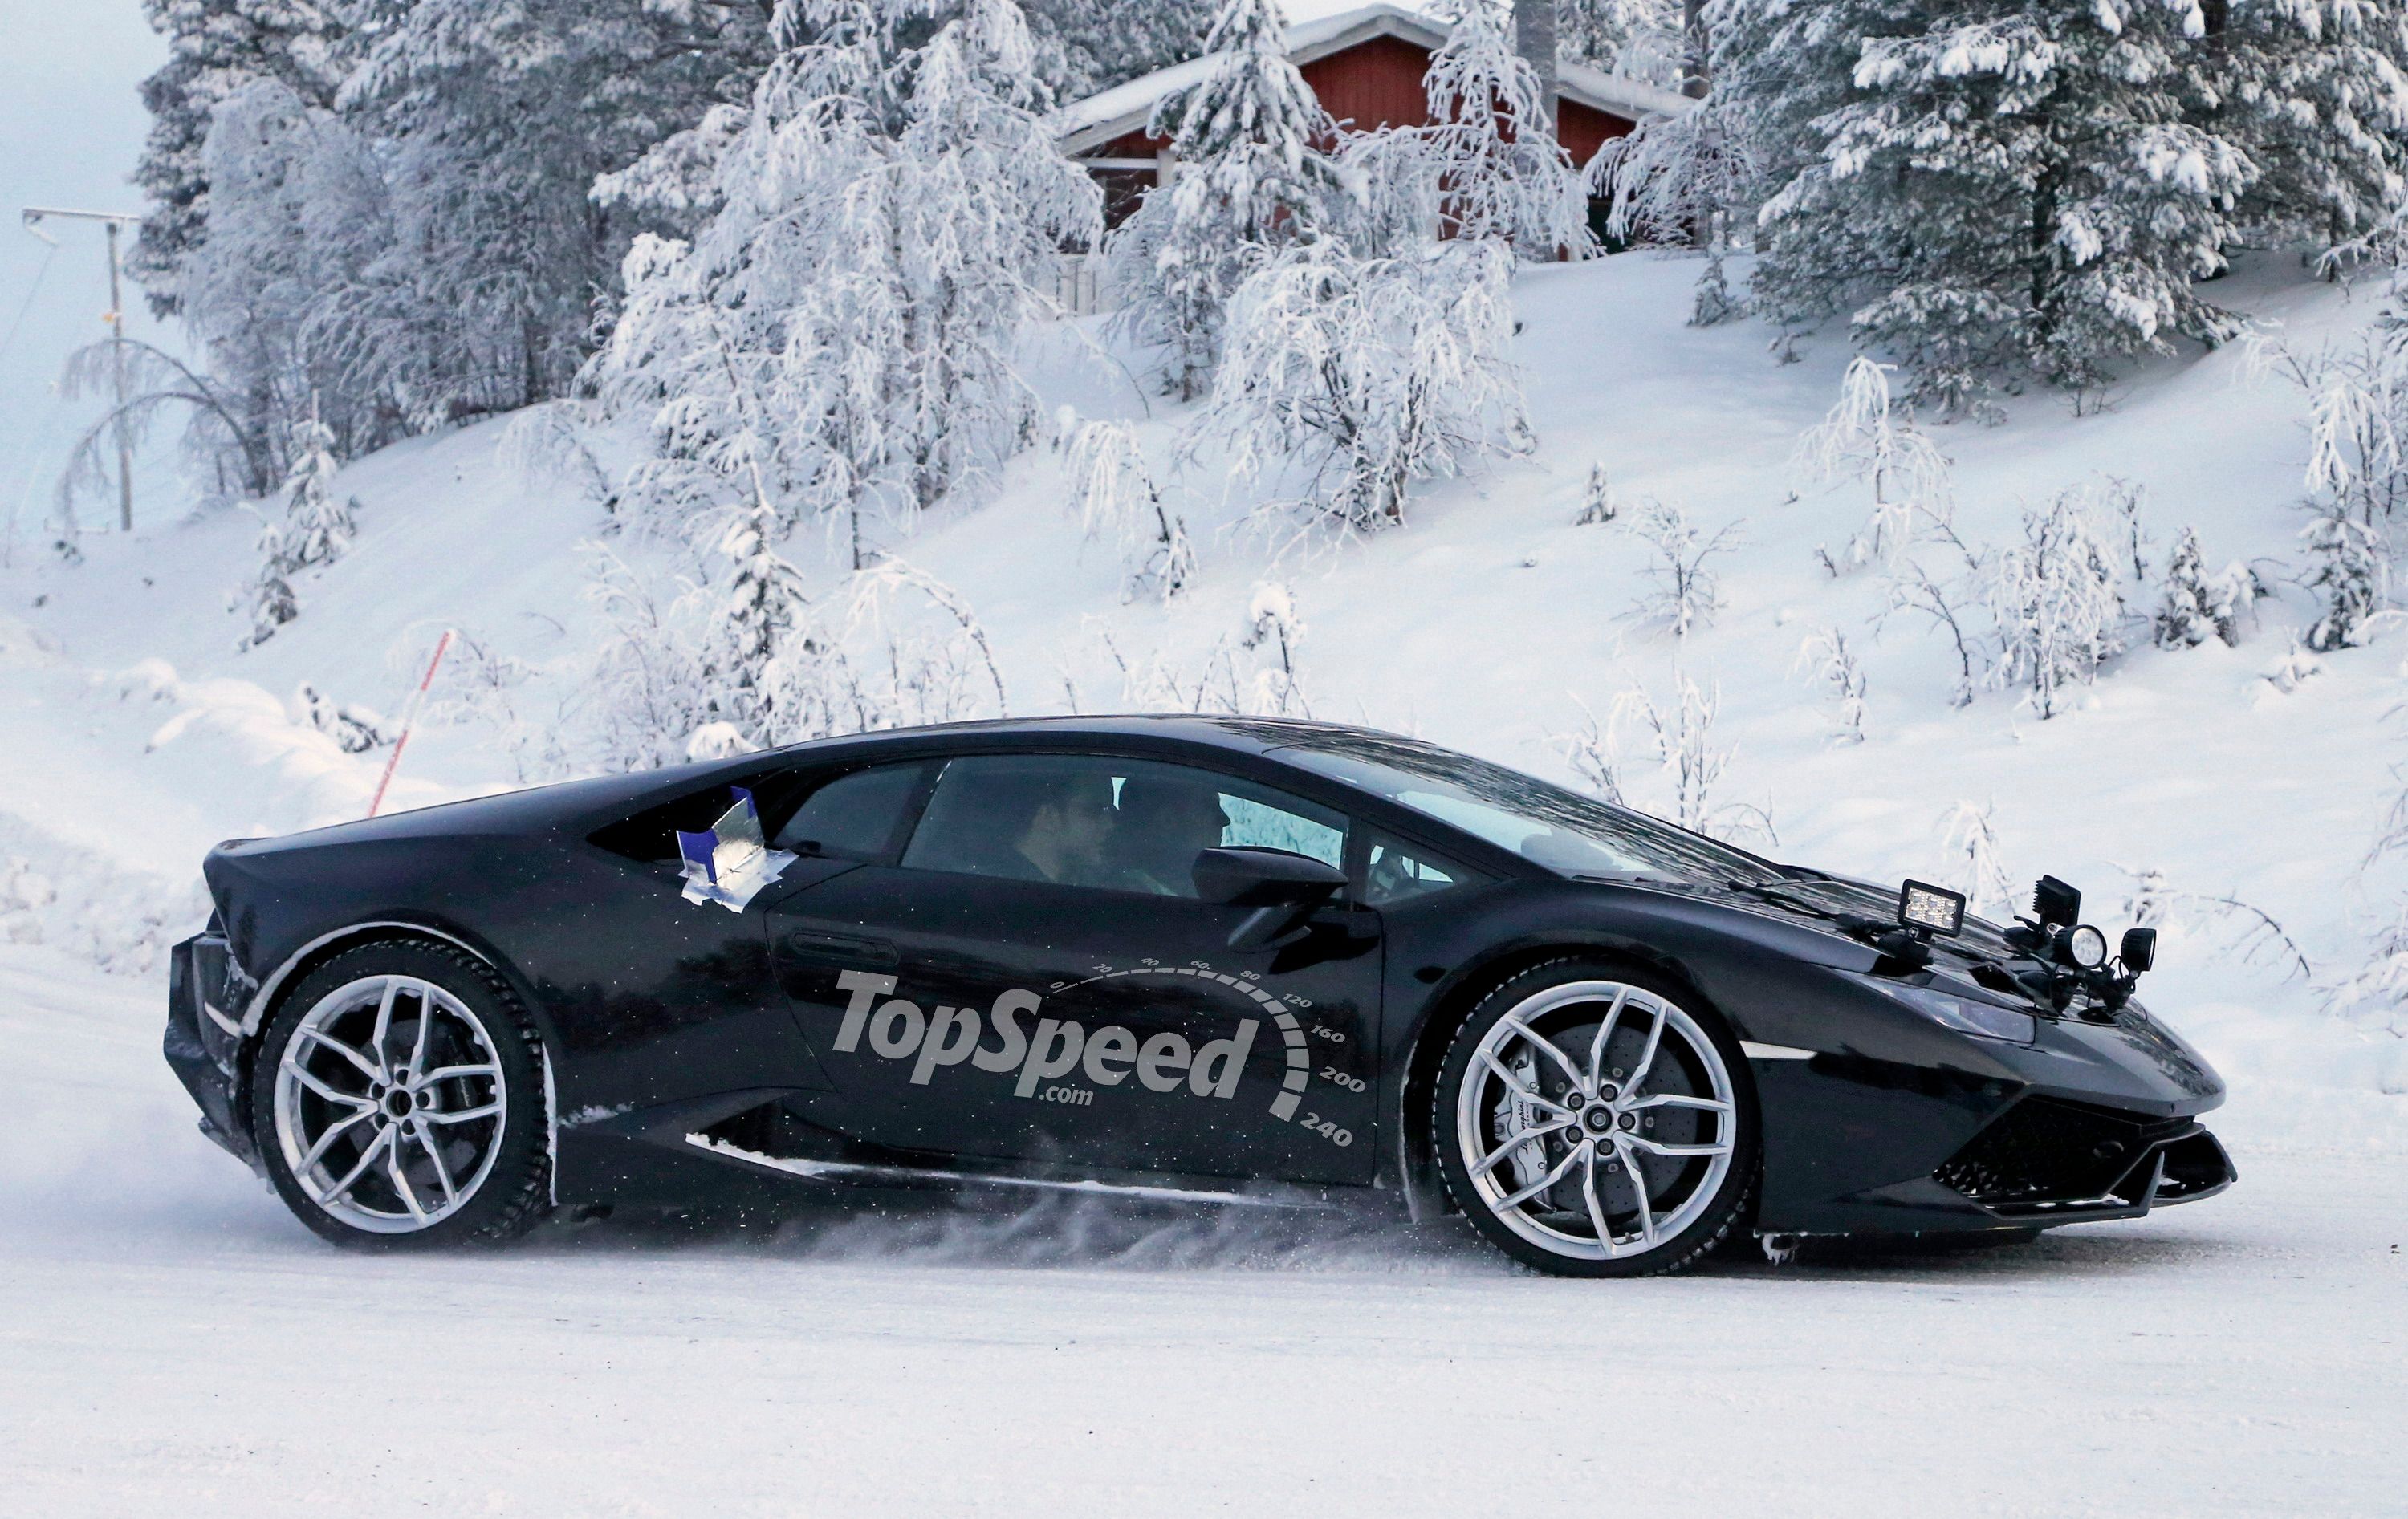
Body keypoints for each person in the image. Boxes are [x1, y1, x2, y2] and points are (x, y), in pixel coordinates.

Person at [1107, 773, 1230, 896]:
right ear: (1167, 820)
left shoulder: (1185, 888)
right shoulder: (1133, 894)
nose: (1225, 820)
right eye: (1210, 807)